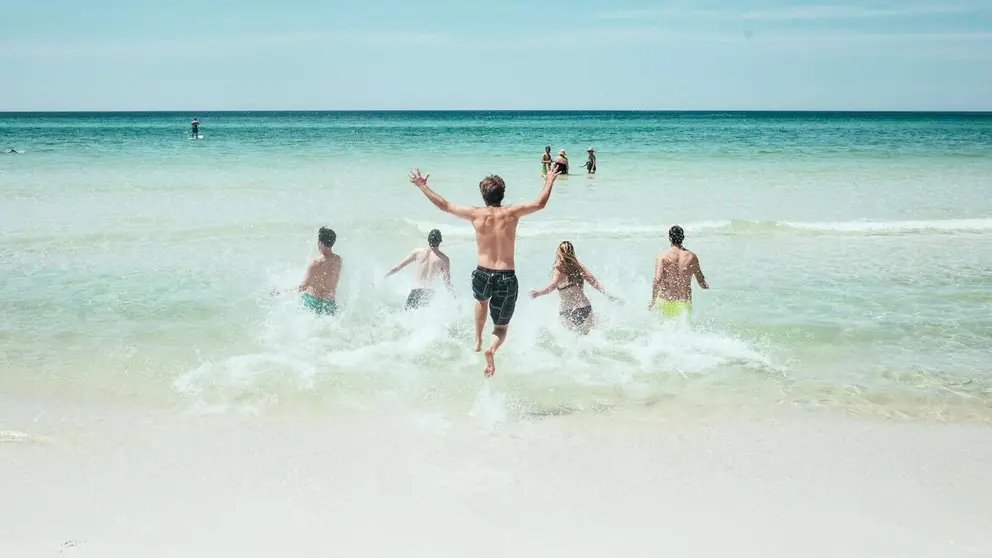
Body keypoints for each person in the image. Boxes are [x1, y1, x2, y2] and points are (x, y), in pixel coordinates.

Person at [408, 167, 561, 377]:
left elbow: (444, 205)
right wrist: (550, 179)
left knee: (481, 302)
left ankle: (478, 339)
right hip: (506, 275)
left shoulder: (475, 213)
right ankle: (492, 348)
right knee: (501, 327)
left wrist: (422, 186)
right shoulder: (512, 212)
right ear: (503, 194)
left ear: (483, 195)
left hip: (482, 273)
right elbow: (540, 203)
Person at [529, 241, 620, 334]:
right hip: (584, 307)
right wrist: (607, 295)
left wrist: (539, 292)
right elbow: (594, 282)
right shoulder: (579, 267)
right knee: (591, 337)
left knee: (571, 342)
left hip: (567, 312)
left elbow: (552, 286)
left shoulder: (558, 269)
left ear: (558, 253)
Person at [271, 227, 342, 315]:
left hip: (313, 301)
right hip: (329, 303)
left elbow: (303, 286)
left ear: (321, 243)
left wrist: (282, 291)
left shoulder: (315, 263)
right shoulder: (338, 260)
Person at [384, 228, 453, 309]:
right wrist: (454, 297)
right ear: (440, 241)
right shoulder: (444, 259)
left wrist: (385, 276)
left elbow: (399, 266)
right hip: (428, 294)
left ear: (428, 240)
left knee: (408, 316)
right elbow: (447, 281)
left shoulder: (417, 252)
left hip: (416, 292)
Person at [650, 225, 708, 317]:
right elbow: (701, 282)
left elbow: (657, 279)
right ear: (683, 238)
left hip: (665, 301)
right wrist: (706, 286)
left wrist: (653, 301)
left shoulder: (662, 256)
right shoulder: (691, 257)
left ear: (669, 238)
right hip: (683, 304)